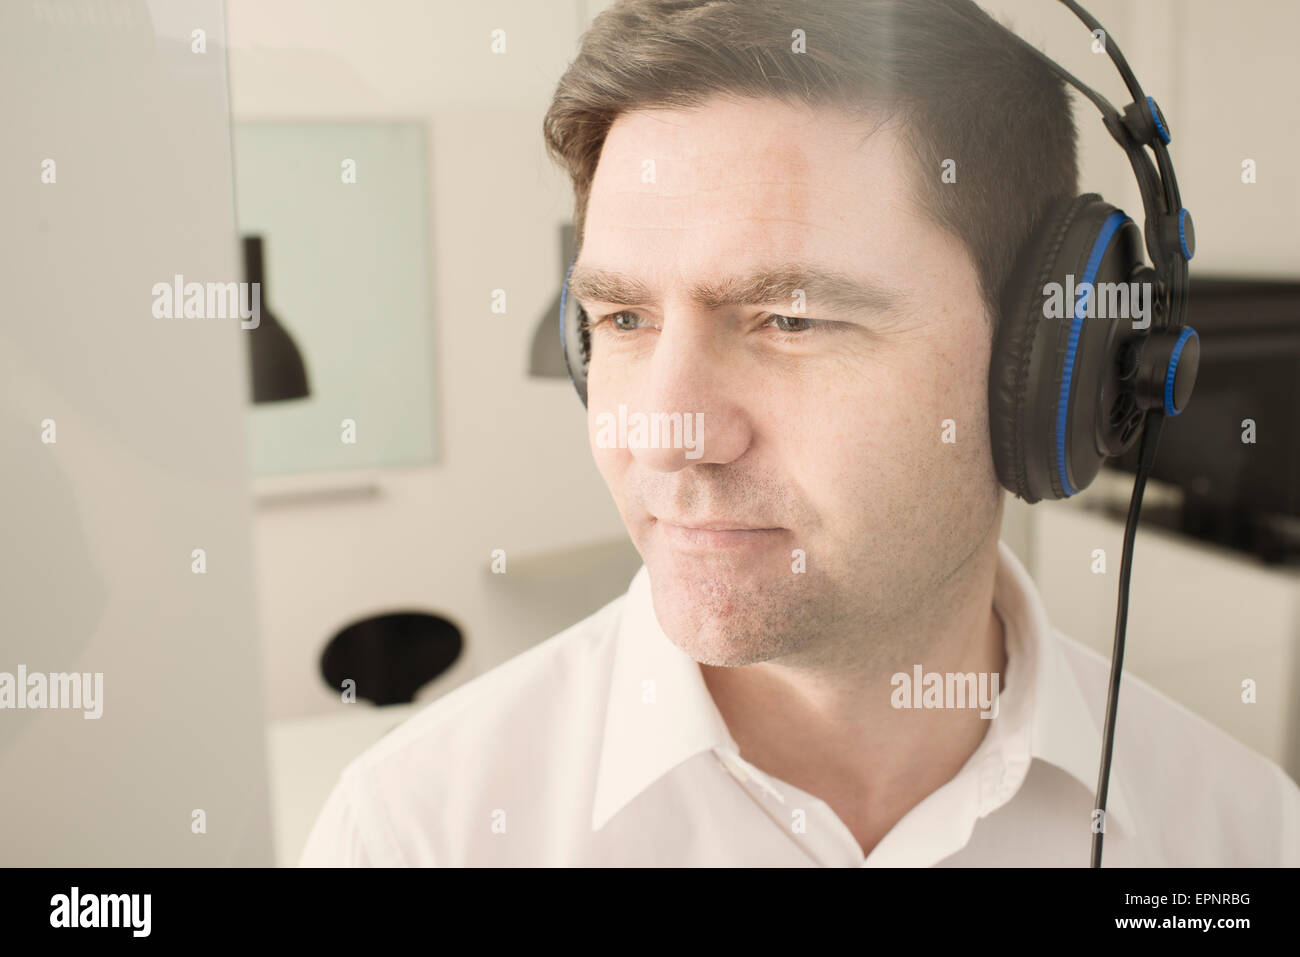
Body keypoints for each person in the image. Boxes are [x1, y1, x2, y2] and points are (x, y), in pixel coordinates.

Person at [300, 0, 1299, 866]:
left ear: (1048, 369)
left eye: (790, 320)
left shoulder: (1240, 837)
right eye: (623, 320)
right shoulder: (414, 837)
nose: (668, 435)